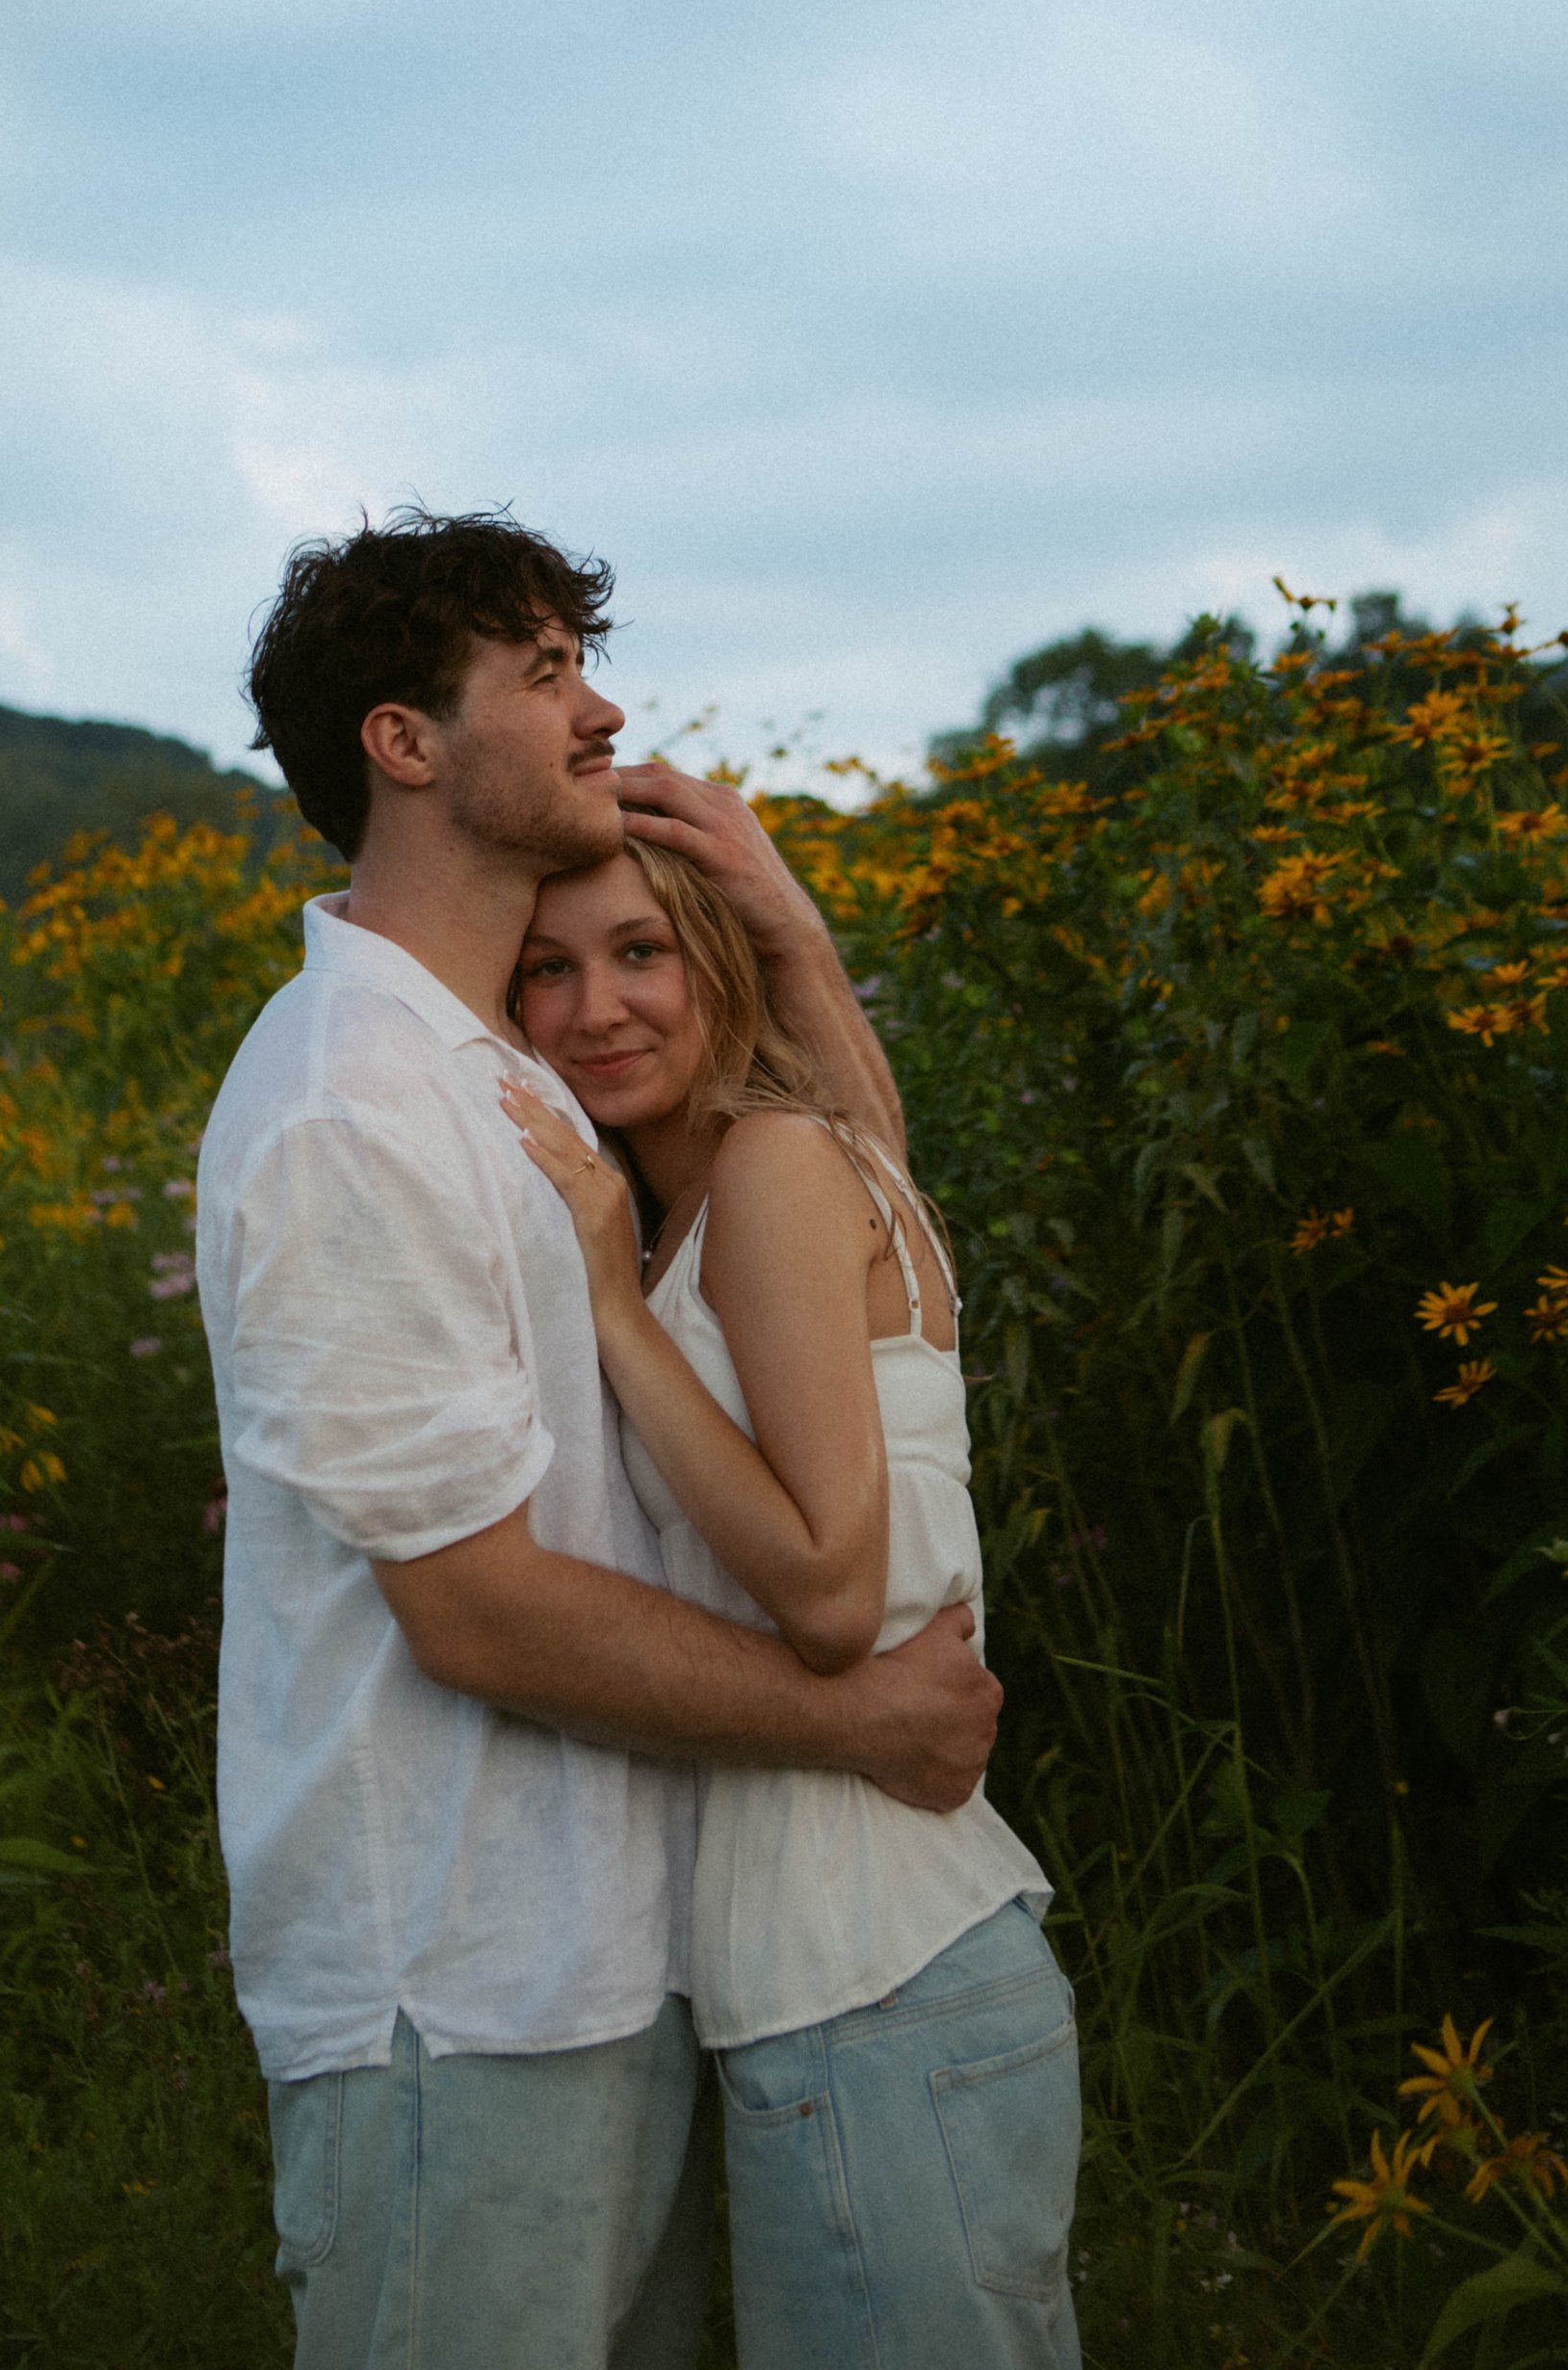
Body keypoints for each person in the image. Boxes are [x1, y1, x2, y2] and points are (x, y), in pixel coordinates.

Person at [196, 511, 1002, 2370]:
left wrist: (789, 938)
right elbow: (470, 1611)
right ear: (406, 742)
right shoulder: (353, 1105)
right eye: (546, 670)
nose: (602, 707)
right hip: (450, 1998)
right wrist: (849, 1712)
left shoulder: (509, 1073)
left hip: (618, 1974)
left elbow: (842, 1225)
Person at [501, 814, 1081, 2370]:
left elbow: (834, 1593)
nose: (596, 1006)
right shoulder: (756, 1181)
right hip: (841, 1986)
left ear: (720, 963)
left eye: (641, 952)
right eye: (547, 970)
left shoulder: (768, 1164)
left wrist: (616, 1312)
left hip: (880, 1983)